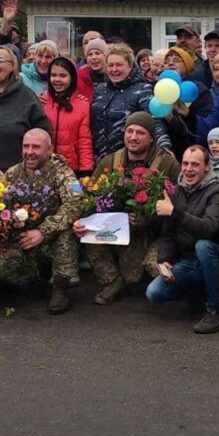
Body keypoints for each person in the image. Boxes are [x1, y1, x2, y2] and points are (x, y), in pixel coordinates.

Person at [75, 112, 180, 305]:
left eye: (140, 133)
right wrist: (82, 221)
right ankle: (112, 282)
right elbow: (89, 197)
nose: (133, 137)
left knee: (136, 276)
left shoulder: (167, 164)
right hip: (115, 230)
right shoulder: (110, 162)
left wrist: (151, 219)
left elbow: (180, 206)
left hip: (152, 232)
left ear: (151, 138)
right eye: (129, 131)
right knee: (86, 233)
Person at [146, 145, 219, 334]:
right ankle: (197, 293)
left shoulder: (218, 193)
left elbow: (207, 229)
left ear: (207, 168)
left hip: (218, 259)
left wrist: (174, 212)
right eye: (185, 163)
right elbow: (167, 234)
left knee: (202, 246)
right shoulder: (175, 192)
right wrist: (164, 260)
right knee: (153, 293)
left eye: (195, 164)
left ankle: (217, 310)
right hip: (189, 262)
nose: (188, 169)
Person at [0, 129, 85, 315]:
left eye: (36, 147)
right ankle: (36, 280)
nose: (29, 152)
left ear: (49, 150)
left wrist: (43, 231)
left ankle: (60, 287)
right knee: (4, 269)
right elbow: (0, 206)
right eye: (26, 146)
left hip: (53, 235)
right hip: (25, 234)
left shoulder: (62, 172)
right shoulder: (13, 173)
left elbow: (76, 203)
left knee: (67, 235)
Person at [90, 43, 169, 161]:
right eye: (110, 65)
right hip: (99, 161)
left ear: (130, 66)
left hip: (129, 160)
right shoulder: (99, 90)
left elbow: (154, 121)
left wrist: (164, 146)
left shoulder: (142, 89)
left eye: (119, 65)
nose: (114, 69)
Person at [40, 57, 93, 176]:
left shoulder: (82, 105)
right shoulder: (42, 103)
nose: (57, 79)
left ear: (72, 78)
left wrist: (86, 170)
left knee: (75, 194)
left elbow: (84, 141)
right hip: (46, 167)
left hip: (72, 169)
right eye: (54, 75)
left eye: (63, 76)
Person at [161, 47, 214, 161]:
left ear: (187, 65)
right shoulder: (158, 90)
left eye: (176, 60)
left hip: (193, 153)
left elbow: (208, 124)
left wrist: (188, 115)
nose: (170, 63)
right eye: (166, 62)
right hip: (167, 153)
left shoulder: (198, 89)